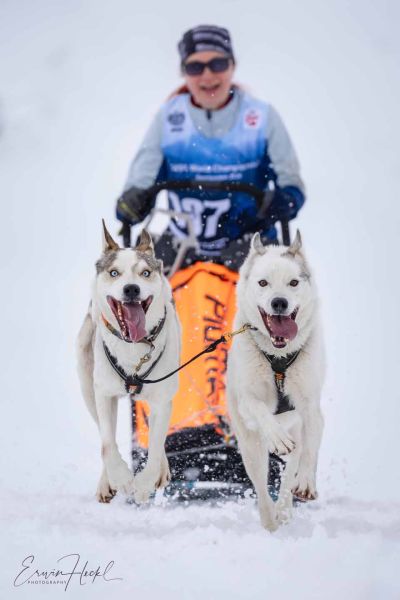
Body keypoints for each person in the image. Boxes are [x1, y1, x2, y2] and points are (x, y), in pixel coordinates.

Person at [116, 24, 305, 270]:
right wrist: (133, 203)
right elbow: (140, 183)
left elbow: (292, 184)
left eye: (217, 64)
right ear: (183, 72)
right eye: (195, 67)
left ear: (232, 66)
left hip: (250, 244)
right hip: (181, 246)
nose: (207, 75)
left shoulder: (261, 118)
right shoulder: (168, 119)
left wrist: (284, 200)